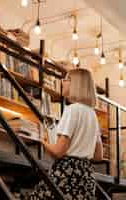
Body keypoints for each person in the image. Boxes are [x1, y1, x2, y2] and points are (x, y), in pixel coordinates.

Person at [20, 68, 103, 200]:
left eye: (66, 79)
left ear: (75, 83)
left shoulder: (72, 110)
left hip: (66, 173)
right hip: (86, 176)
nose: (62, 82)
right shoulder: (93, 115)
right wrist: (80, 150)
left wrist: (41, 140)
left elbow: (59, 151)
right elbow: (98, 156)